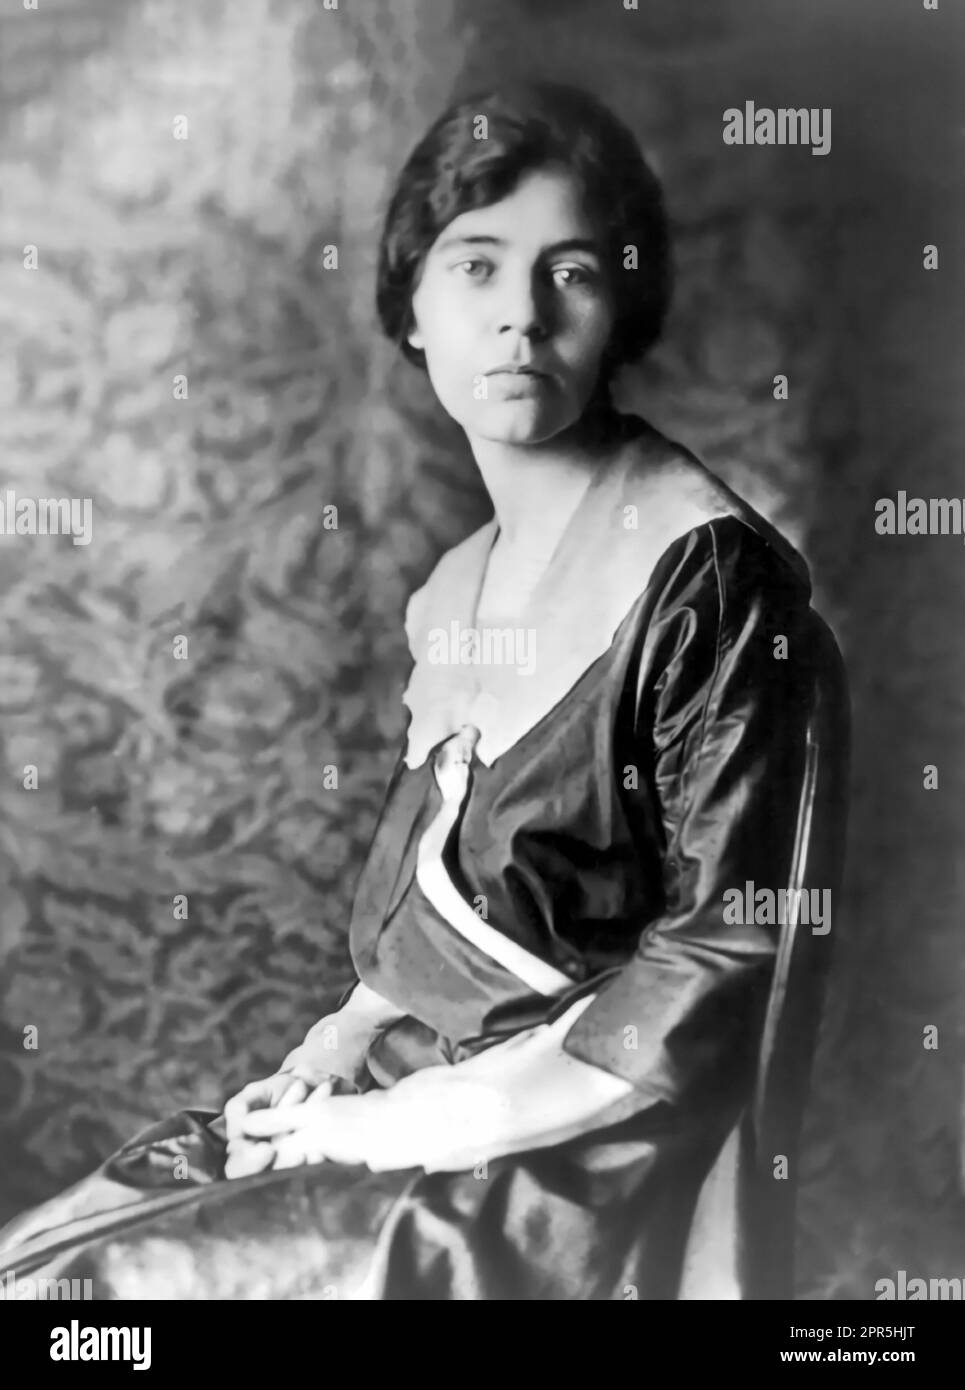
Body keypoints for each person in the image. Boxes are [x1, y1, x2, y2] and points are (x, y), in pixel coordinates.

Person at [0, 80, 839, 1300]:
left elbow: (718, 952)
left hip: (581, 1156)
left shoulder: (704, 573)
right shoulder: (454, 589)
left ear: (622, 305)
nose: (519, 320)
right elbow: (441, 916)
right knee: (54, 1254)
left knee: (123, 1291)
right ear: (411, 309)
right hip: (417, 1094)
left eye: (569, 273)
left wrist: (413, 1125)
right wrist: (337, 1054)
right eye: (476, 267)